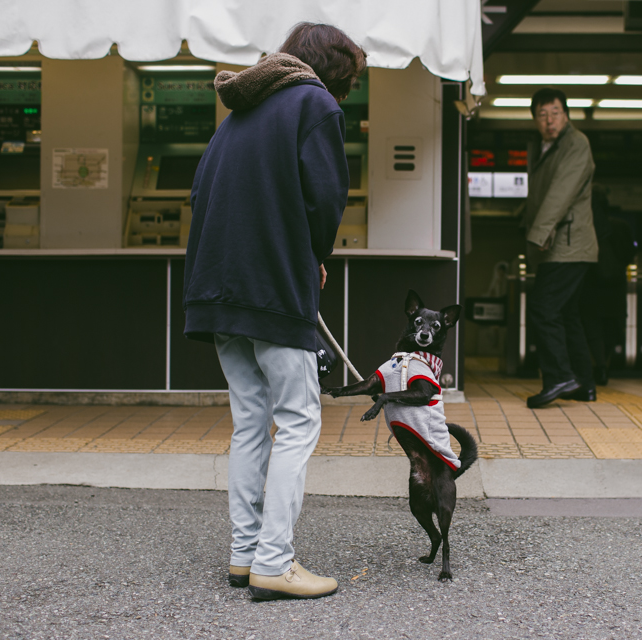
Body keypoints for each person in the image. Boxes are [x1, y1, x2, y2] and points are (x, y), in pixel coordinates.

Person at [182, 23, 366, 597]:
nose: (347, 94)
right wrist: (312, 257)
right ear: (335, 72)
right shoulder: (314, 104)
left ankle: (243, 555)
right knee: (298, 420)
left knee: (250, 422)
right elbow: (326, 198)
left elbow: (198, 192)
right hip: (273, 288)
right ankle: (275, 562)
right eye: (350, 82)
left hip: (216, 283)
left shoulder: (240, 113)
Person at [522, 88, 599, 408]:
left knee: (543, 308)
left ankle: (559, 377)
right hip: (561, 243)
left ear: (566, 114)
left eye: (554, 113)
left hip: (566, 244)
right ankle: (584, 384)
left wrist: (537, 235)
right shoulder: (543, 148)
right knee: (567, 315)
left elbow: (560, 193)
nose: (549, 120)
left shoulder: (575, 143)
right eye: (542, 115)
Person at [580, 187, 636, 389]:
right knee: (612, 327)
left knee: (593, 328)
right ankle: (606, 365)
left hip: (591, 284)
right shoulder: (621, 226)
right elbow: (630, 253)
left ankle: (599, 365)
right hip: (616, 285)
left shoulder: (587, 226)